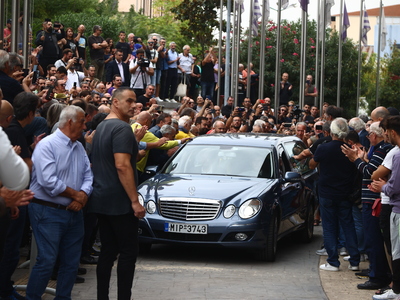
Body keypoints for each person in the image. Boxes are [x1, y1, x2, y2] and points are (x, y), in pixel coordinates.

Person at [26, 105, 93, 300]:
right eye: (82, 121)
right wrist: (76, 195)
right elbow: (48, 181)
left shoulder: (79, 146)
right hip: (48, 211)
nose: (85, 124)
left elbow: (88, 175)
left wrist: (82, 196)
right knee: (47, 260)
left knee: (71, 262)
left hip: (73, 211)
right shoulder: (47, 145)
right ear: (70, 121)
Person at [87, 87, 145, 300]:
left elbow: (121, 161)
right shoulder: (121, 128)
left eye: (135, 101)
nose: (133, 105)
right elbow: (122, 166)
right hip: (119, 202)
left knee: (108, 252)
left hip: (102, 198)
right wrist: (134, 201)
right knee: (128, 253)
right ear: (115, 102)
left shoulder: (102, 126)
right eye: (128, 101)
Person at [342, 121, 393, 290]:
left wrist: (356, 159)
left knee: (373, 239)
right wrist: (362, 159)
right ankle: (377, 272)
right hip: (374, 199)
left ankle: (377, 276)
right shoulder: (382, 150)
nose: (368, 135)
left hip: (373, 200)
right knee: (374, 239)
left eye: (370, 133)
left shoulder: (381, 149)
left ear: (375, 135)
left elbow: (370, 172)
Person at [309, 118, 360, 272]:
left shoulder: (324, 148)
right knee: (348, 225)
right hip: (345, 193)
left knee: (330, 227)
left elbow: (312, 164)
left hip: (327, 193)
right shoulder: (350, 149)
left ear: (331, 132)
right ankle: (355, 260)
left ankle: (333, 261)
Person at [369, 116, 400, 300]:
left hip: (396, 208)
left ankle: (396, 290)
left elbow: (393, 186)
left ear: (393, 132)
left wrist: (383, 187)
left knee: (396, 252)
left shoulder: (396, 154)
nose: (385, 135)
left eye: (386, 131)